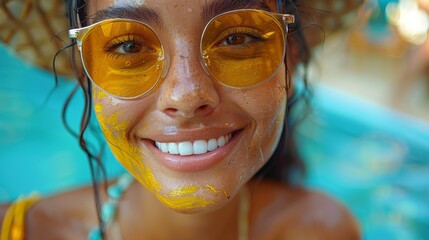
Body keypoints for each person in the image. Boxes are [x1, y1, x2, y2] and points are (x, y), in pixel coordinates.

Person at [1, 0, 361, 239]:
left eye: (236, 38)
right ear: (87, 71)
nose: (187, 96)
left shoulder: (322, 229)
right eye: (129, 46)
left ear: (291, 57)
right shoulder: (20, 230)